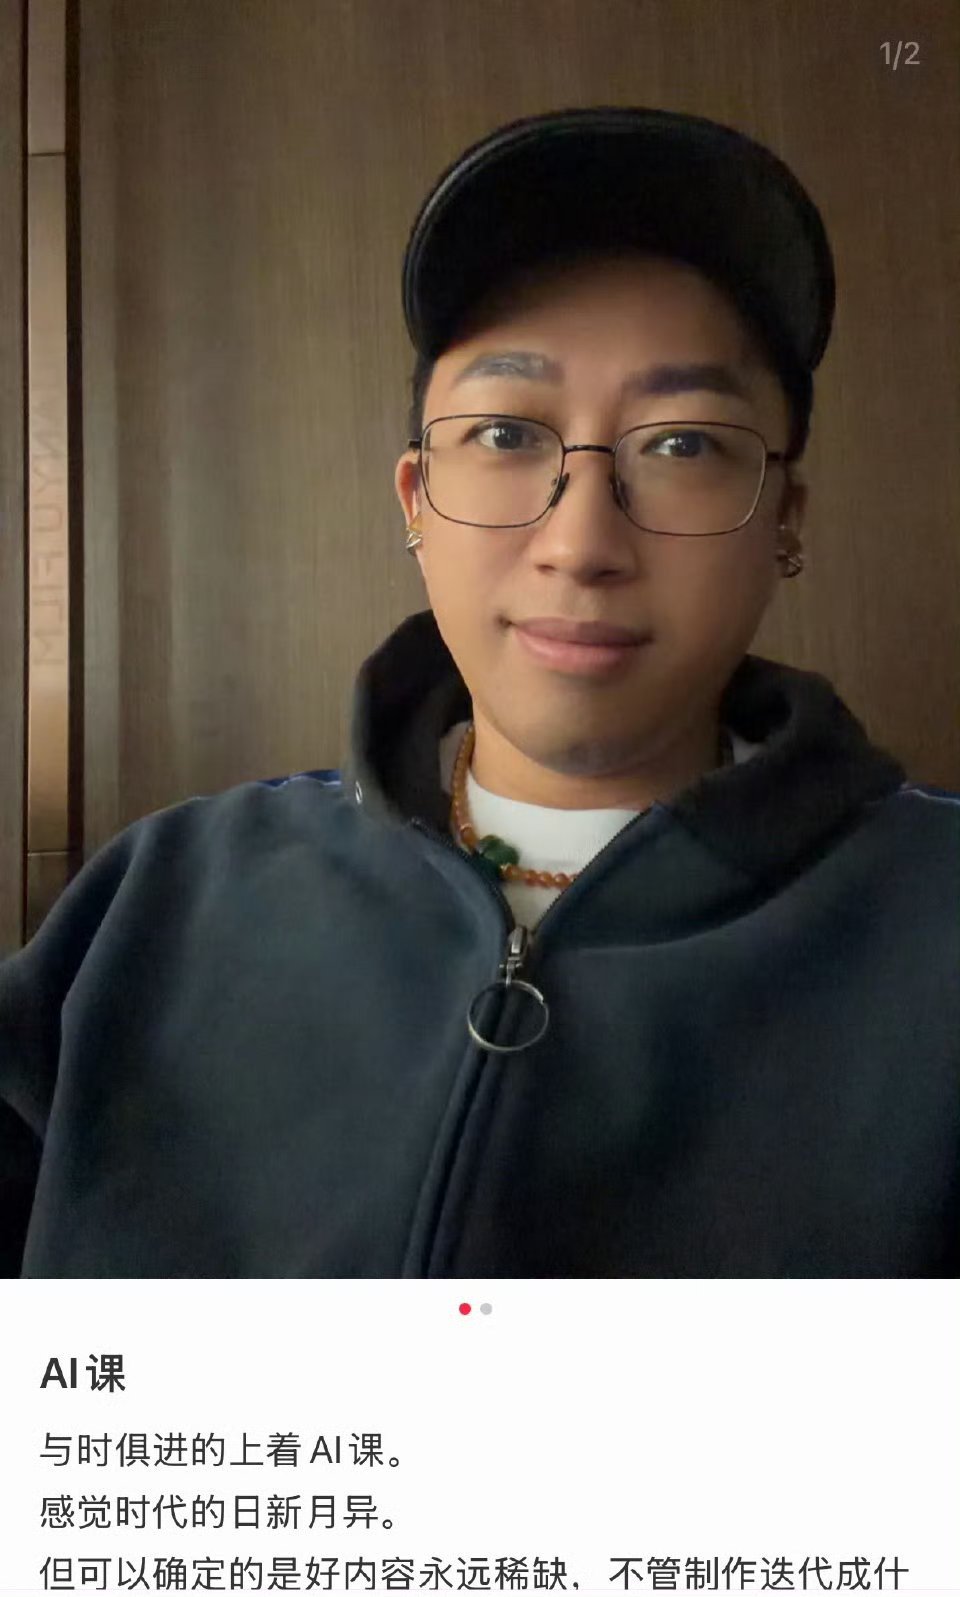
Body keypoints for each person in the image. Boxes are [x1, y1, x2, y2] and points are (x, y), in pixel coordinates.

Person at [1, 106, 958, 1278]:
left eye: (682, 444)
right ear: (416, 501)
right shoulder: (159, 906)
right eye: (507, 433)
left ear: (785, 522)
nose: (581, 544)